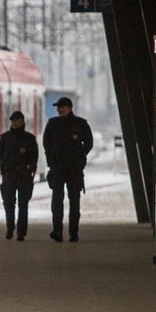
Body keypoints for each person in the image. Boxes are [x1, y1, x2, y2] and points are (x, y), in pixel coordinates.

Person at [42, 96, 94, 242]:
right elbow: (46, 143)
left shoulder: (81, 124)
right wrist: (51, 160)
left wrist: (80, 155)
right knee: (57, 200)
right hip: (57, 168)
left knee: (74, 201)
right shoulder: (52, 123)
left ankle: (73, 232)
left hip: (74, 168)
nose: (59, 109)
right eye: (58, 107)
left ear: (70, 108)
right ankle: (57, 231)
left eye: (62, 107)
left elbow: (89, 142)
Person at [0, 110, 38, 241]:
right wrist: (3, 170)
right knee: (9, 203)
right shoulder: (4, 138)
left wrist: (31, 169)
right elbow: (0, 156)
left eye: (17, 120)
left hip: (24, 174)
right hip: (9, 174)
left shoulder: (29, 139)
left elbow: (34, 156)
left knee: (23, 204)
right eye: (13, 121)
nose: (15, 123)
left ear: (22, 121)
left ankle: (21, 232)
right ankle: (10, 227)